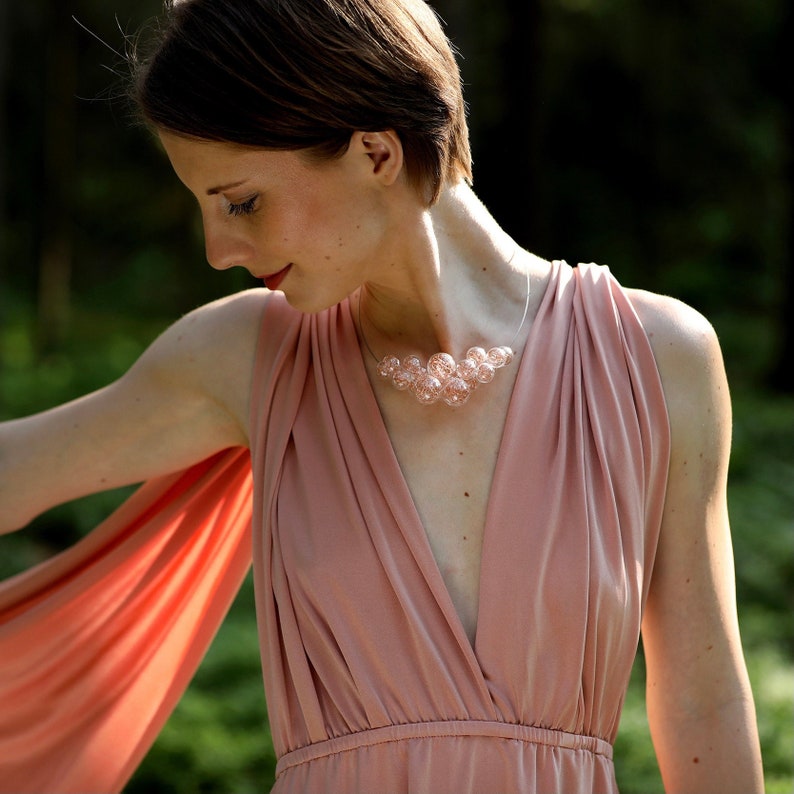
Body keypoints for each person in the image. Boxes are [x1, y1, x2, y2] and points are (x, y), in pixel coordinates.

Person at [0, 0, 765, 792]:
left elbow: (704, 700)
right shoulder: (246, 359)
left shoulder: (657, 356)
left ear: (374, 152)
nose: (218, 251)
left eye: (240, 201)